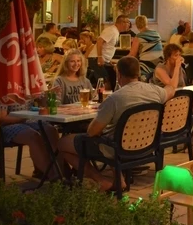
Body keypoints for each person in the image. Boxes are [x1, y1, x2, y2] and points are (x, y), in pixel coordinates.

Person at [57, 56, 177, 191]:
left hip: (118, 148)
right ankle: (119, 180)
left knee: (62, 143)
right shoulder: (155, 91)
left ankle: (100, 180)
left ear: (118, 74)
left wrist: (89, 125)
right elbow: (171, 90)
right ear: (138, 72)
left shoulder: (114, 99)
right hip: (147, 145)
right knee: (114, 132)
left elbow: (92, 132)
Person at [0, 101, 60, 180]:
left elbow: (42, 105)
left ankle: (62, 172)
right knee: (33, 136)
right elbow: (2, 118)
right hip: (8, 125)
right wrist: (25, 117)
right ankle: (53, 177)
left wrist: (44, 97)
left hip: (29, 120)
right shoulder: (4, 92)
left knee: (51, 130)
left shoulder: (29, 88)